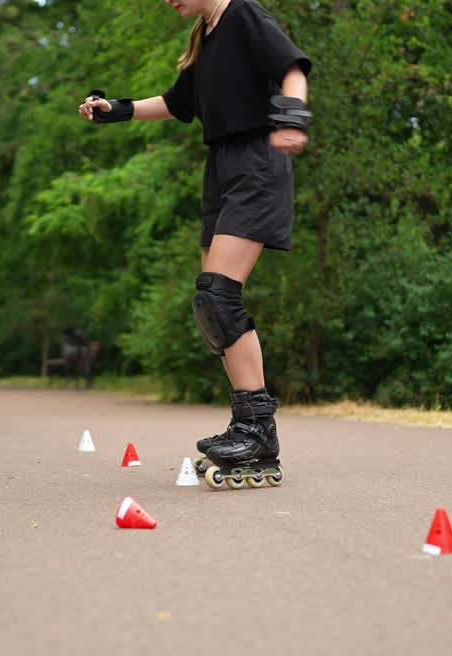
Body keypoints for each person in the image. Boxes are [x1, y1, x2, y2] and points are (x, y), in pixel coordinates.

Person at [78, 0, 310, 488]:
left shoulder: (244, 13)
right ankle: (249, 427)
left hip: (255, 164)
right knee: (211, 304)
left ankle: (257, 432)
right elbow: (175, 103)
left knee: (219, 295)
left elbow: (291, 67)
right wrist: (114, 110)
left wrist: (293, 120)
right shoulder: (205, 37)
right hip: (222, 168)